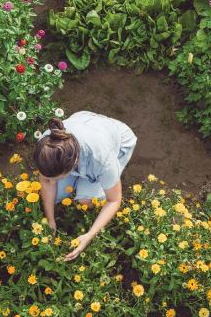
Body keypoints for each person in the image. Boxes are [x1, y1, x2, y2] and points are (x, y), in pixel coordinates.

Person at [33, 111, 137, 261]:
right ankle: (80, 183)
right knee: (57, 196)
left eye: (56, 178)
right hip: (86, 124)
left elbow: (114, 201)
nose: (52, 182)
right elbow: (45, 181)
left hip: (117, 140)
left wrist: (89, 235)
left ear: (73, 165)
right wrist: (51, 220)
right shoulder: (46, 146)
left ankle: (89, 183)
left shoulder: (102, 159)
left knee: (85, 201)